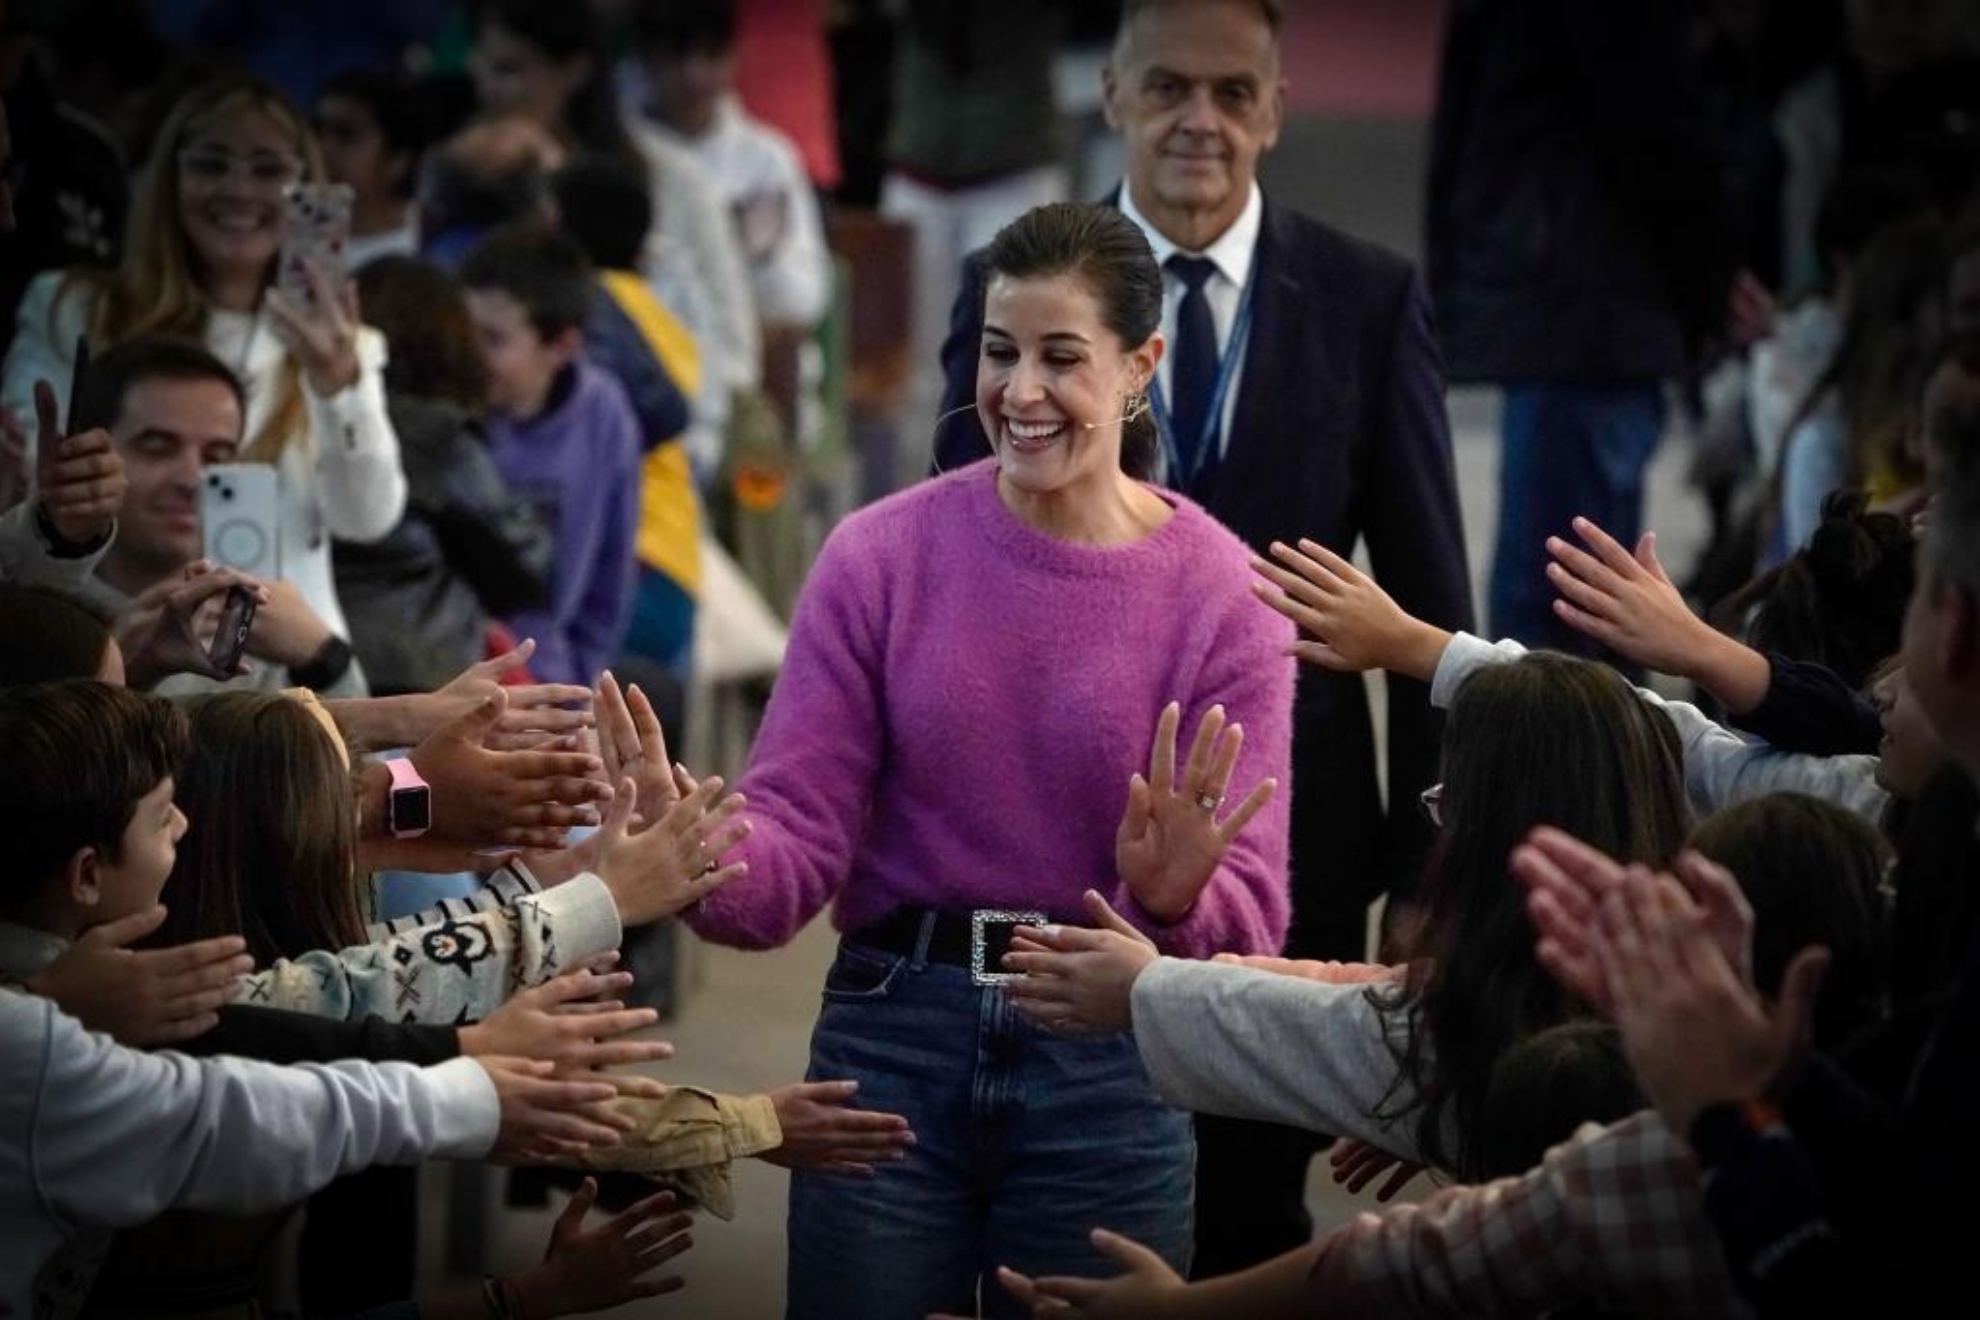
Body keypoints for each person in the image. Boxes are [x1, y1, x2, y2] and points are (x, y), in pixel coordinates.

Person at [666, 201, 1293, 1318]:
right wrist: (694, 853)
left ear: (1142, 365)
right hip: (893, 1037)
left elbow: (1251, 914)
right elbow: (795, 839)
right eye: (1002, 354)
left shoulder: (1226, 597)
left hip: (1112, 1057)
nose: (1020, 393)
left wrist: (1180, 898)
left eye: (1063, 357)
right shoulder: (879, 556)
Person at [930, 0, 1473, 1269]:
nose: (1200, 121)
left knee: (1244, 1213)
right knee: (1050, 1220)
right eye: (1169, 85)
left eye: (1235, 94)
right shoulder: (1003, 287)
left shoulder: (1367, 296)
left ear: (1278, 109)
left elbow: (1430, 612)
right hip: (1047, 827)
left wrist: (1433, 869)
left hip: (1294, 834)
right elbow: (956, 547)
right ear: (1111, 91)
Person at [2, 73, 408, 672]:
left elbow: (367, 519)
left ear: (305, 192)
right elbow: (40, 480)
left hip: (286, 669)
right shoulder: (76, 309)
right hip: (116, 649)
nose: (239, 190)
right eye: (212, 164)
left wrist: (338, 388)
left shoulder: (345, 345)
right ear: (169, 181)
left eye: (268, 170)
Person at [1427, 0, 1732, 655]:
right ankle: (1567, 755)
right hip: (1586, 308)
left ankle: (1576, 752)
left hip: (1569, 304)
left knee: (1574, 604)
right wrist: (1710, 287)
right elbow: (1658, 130)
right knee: (1571, 608)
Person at [332, 255, 556, 696]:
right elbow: (525, 563)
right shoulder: (442, 438)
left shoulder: (309, 422)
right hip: (421, 680)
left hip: (314, 667)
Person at [459, 223, 644, 688]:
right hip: (446, 679)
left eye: (494, 338)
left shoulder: (605, 415)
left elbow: (610, 574)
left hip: (548, 680)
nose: (470, 354)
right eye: (465, 333)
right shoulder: (444, 405)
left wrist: (578, 684)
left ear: (561, 346)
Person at [312, 67, 427, 270]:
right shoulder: (281, 237)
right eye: (317, 131)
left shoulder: (431, 246)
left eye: (346, 135)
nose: (323, 148)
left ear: (398, 160)